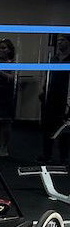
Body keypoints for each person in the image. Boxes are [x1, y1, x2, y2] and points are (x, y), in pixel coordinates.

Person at [39, 34, 70, 164]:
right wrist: (43, 90)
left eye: (63, 40)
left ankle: (64, 157)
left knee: (63, 129)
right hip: (50, 97)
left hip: (64, 98)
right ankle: (47, 155)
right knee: (48, 127)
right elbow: (47, 75)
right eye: (59, 40)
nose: (60, 42)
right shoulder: (54, 59)